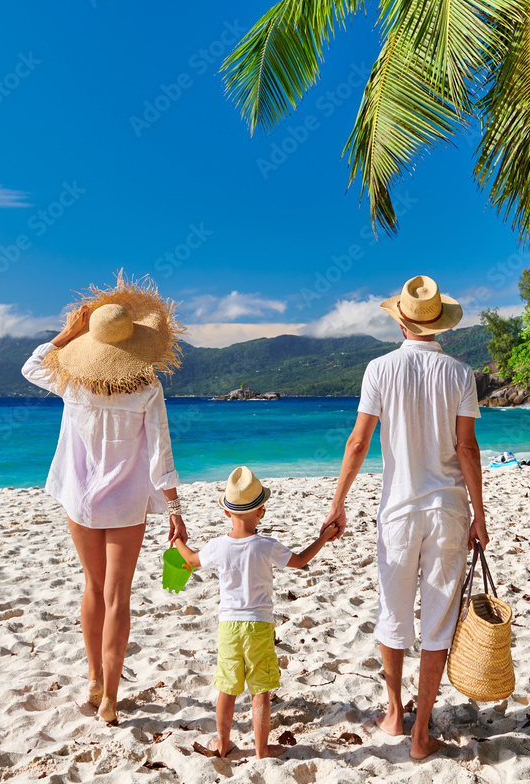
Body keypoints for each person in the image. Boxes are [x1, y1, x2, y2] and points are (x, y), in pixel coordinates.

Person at [320, 274, 488, 759]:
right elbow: (467, 449)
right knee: (437, 622)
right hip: (448, 512)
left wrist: (338, 502)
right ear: (440, 324)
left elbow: (358, 441)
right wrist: (480, 513)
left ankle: (394, 713)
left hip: (396, 512)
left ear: (400, 319)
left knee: (393, 617)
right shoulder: (460, 373)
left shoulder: (379, 369)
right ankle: (421, 734)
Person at [21, 272, 187, 725]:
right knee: (118, 596)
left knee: (92, 589)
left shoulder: (73, 382)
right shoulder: (148, 387)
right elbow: (161, 452)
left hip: (81, 500)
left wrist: (69, 333)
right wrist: (174, 511)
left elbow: (33, 365)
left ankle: (94, 678)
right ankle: (110, 698)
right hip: (129, 503)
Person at [172, 466, 339, 759]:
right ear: (260, 511)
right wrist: (323, 538)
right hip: (259, 626)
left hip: (228, 628)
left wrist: (177, 542)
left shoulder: (217, 547)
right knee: (260, 689)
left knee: (227, 687)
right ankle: (261, 749)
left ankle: (223, 743)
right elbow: (299, 561)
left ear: (226, 512)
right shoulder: (266, 546)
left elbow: (190, 560)